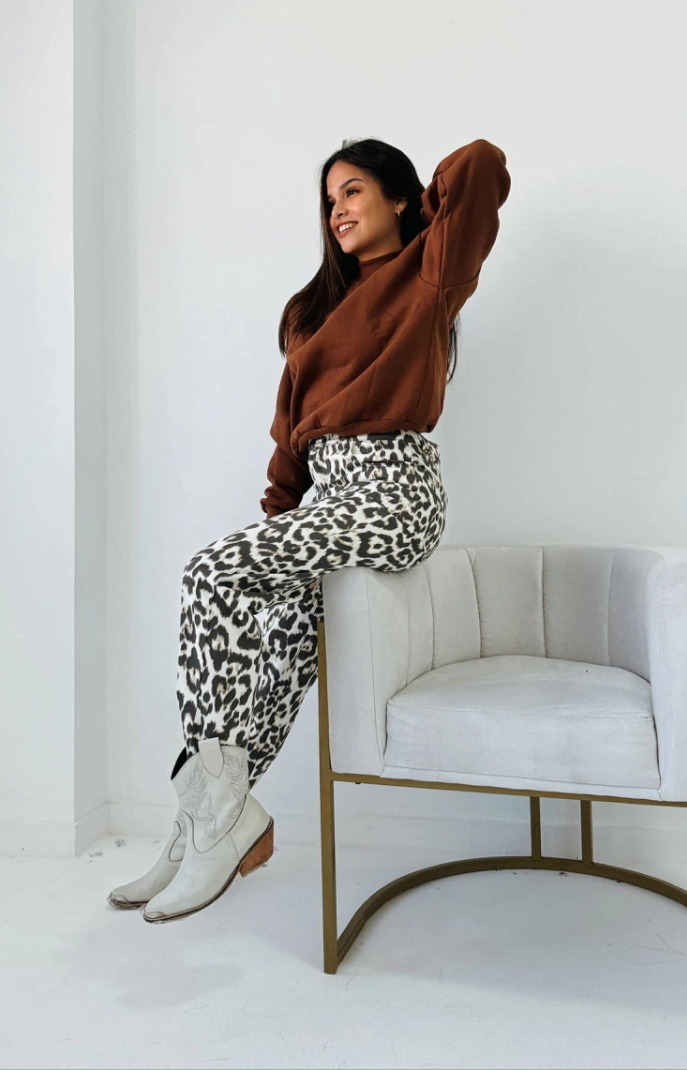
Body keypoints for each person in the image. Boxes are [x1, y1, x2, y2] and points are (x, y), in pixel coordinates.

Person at [108, 136, 512, 922]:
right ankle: (205, 824)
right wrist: (278, 527)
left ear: (399, 197)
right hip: (326, 503)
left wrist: (427, 217)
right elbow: (291, 434)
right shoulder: (310, 310)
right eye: (329, 201)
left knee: (210, 570)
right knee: (279, 657)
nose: (338, 211)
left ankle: (219, 822)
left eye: (354, 191)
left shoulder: (431, 273)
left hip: (394, 494)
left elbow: (481, 164)